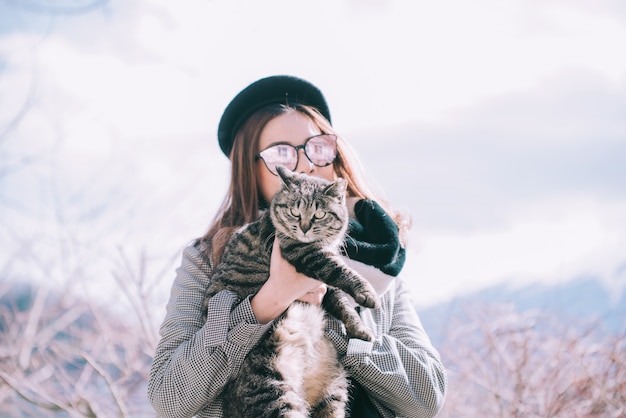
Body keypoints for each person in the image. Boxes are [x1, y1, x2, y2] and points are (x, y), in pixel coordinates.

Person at [148, 75, 447, 417]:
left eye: (317, 146)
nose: (306, 164)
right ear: (251, 170)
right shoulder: (207, 258)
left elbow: (427, 397)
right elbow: (168, 398)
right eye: (281, 154)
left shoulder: (378, 259)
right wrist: (268, 303)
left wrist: (332, 318)